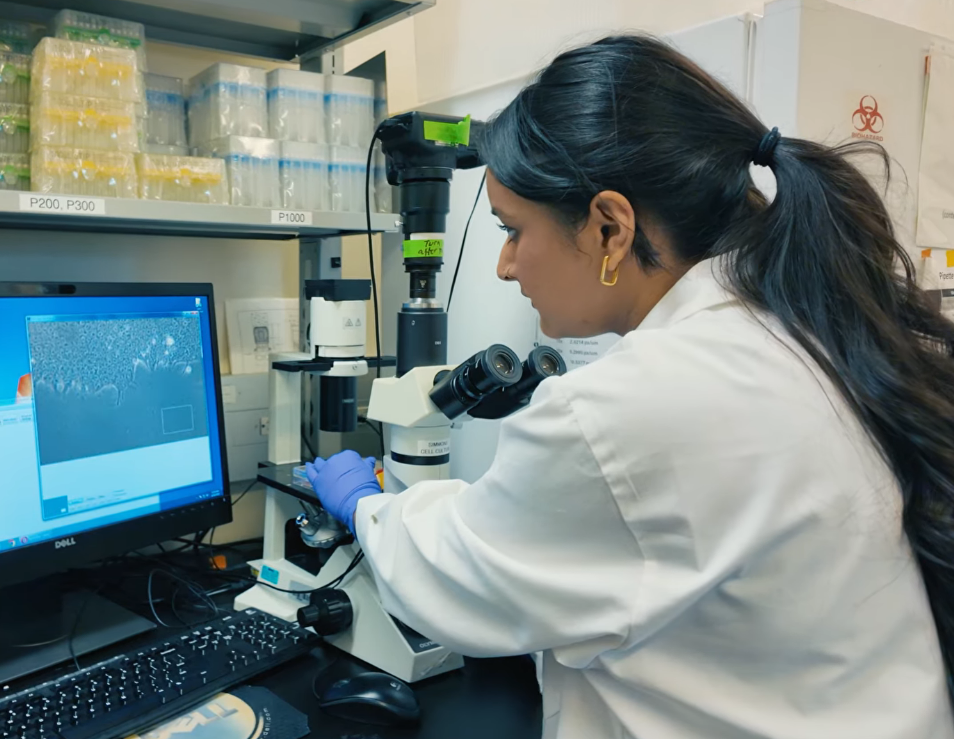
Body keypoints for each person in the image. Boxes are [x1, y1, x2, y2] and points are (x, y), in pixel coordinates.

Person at [308, 35, 954, 738]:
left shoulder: (637, 401)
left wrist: (366, 505)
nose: (504, 265)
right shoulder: (802, 327)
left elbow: (458, 576)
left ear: (609, 226)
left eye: (512, 230)